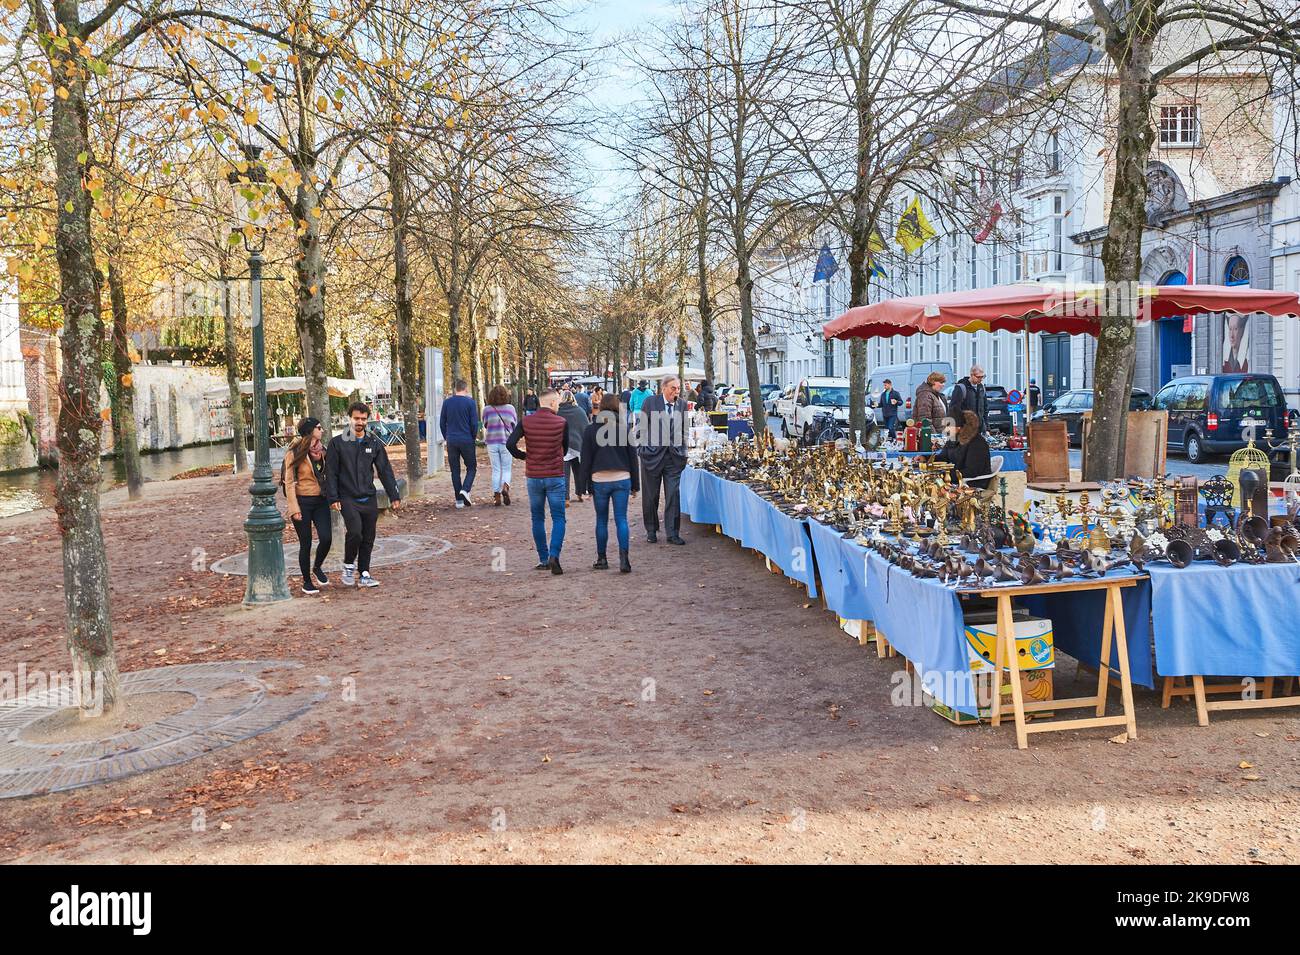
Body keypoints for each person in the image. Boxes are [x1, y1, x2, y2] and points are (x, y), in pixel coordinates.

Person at [325, 401, 401, 588]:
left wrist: (394, 495)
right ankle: (349, 565)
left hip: (368, 497)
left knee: (368, 537)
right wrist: (333, 498)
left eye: (363, 419)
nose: (359, 422)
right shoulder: (337, 443)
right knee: (355, 532)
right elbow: (331, 473)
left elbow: (384, 470)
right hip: (347, 497)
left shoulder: (373, 442)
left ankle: (365, 573)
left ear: (367, 420)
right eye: (356, 418)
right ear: (349, 418)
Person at [506, 389, 571, 575]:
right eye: (557, 402)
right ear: (551, 403)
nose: (558, 405)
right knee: (558, 517)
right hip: (555, 475)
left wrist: (524, 456)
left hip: (534, 476)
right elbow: (565, 449)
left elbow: (510, 444)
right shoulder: (561, 422)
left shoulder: (526, 421)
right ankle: (554, 555)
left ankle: (543, 558)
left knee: (537, 518)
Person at [580, 394, 639, 572]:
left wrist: (583, 487)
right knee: (621, 519)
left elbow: (586, 460)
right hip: (622, 478)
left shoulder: (590, 430)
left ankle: (602, 558)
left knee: (601, 520)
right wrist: (636, 485)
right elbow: (633, 458)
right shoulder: (624, 429)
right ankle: (624, 559)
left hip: (600, 480)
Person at [282, 416, 331, 595]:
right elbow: (288, 482)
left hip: (320, 501)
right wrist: (294, 509)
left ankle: (317, 567)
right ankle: (307, 582)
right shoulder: (294, 452)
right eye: (319, 427)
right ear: (310, 431)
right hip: (302, 502)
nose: (322, 430)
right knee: (306, 543)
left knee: (326, 538)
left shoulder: (322, 450)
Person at [638, 375, 687, 545]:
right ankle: (651, 530)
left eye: (678, 388)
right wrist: (642, 450)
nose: (677, 391)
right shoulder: (650, 402)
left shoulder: (682, 404)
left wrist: (683, 451)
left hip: (674, 458)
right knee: (651, 496)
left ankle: (673, 533)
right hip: (651, 457)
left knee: (673, 494)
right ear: (664, 388)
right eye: (673, 388)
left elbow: (683, 429)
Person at [440, 378, 480, 508]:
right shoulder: (470, 403)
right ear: (465, 388)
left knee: (455, 470)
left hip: (452, 440)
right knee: (472, 467)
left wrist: (446, 436)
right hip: (466, 439)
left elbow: (442, 422)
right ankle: (465, 489)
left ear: (455, 389)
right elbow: (474, 423)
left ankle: (458, 500)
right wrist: (473, 437)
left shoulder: (447, 403)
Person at [935, 409, 993, 489]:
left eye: (948, 426)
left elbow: (972, 471)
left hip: (973, 484)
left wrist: (946, 475)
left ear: (958, 427)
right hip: (957, 479)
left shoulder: (977, 443)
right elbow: (943, 457)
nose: (946, 430)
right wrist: (926, 459)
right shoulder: (953, 439)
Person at [482, 385, 518, 506]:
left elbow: (485, 424)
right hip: (506, 442)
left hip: (492, 442)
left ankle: (496, 496)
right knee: (507, 468)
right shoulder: (510, 409)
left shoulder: (487, 409)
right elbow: (514, 425)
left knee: (496, 469)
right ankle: (506, 487)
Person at [558, 389, 590, 504]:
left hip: (563, 446)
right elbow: (586, 427)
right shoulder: (580, 411)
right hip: (577, 445)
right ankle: (580, 493)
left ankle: (566, 498)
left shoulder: (558, 411)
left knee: (564, 473)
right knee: (578, 471)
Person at [949, 365, 989, 431]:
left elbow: (985, 409)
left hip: (979, 429)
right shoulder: (961, 388)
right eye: (978, 377)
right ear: (971, 375)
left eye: (983, 377)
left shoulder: (982, 388)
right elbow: (954, 409)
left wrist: (987, 428)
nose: (981, 379)